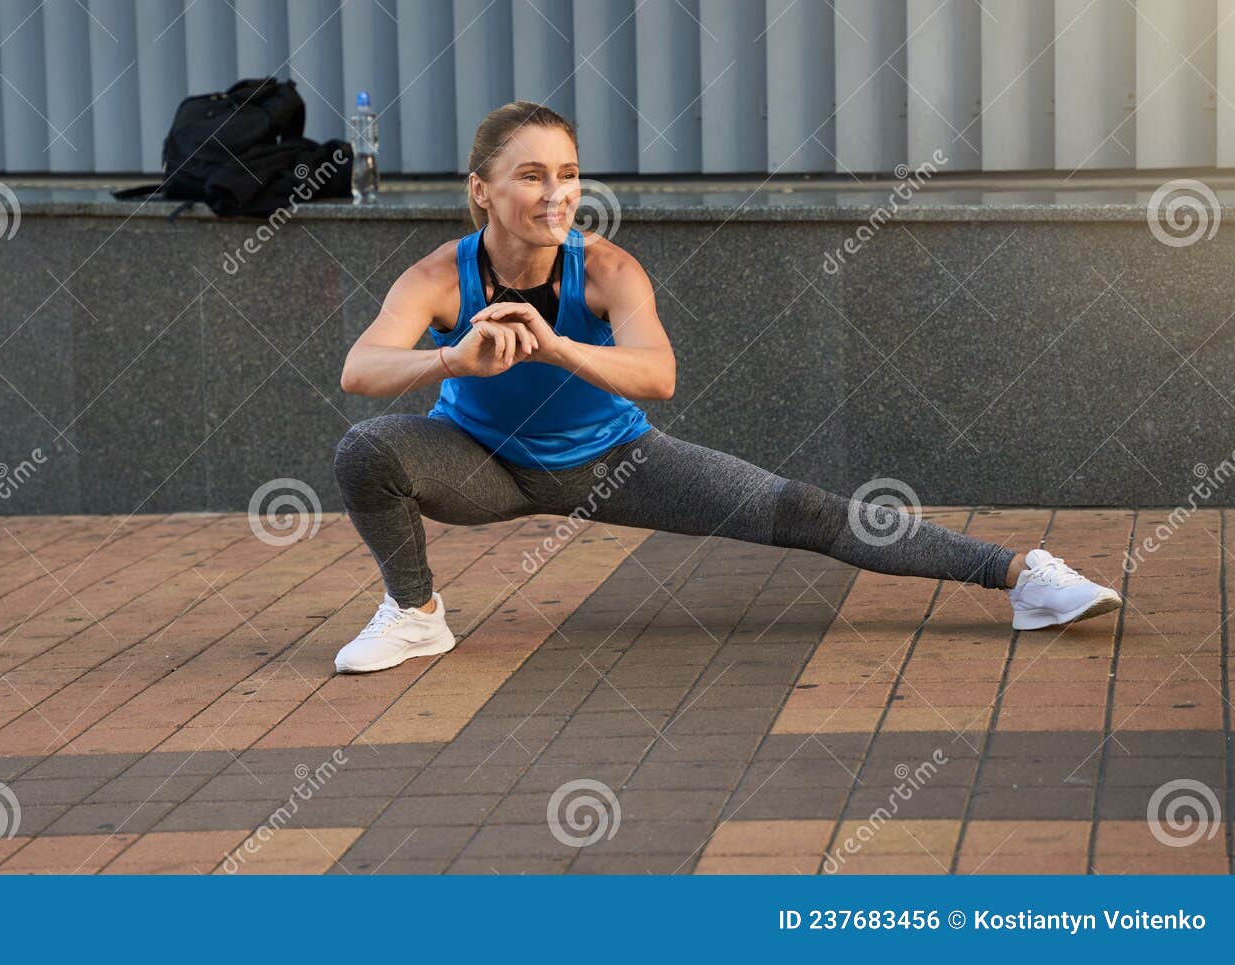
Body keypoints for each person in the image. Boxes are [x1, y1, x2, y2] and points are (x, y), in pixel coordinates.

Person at [329, 101, 1122, 675]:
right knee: (367, 449)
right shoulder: (440, 276)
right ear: (482, 190)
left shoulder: (605, 269)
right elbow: (360, 369)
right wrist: (452, 362)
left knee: (804, 509)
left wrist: (558, 347)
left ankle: (1020, 576)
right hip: (481, 466)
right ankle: (416, 615)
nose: (554, 194)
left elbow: (659, 374)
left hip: (617, 459)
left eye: (567, 175)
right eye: (530, 176)